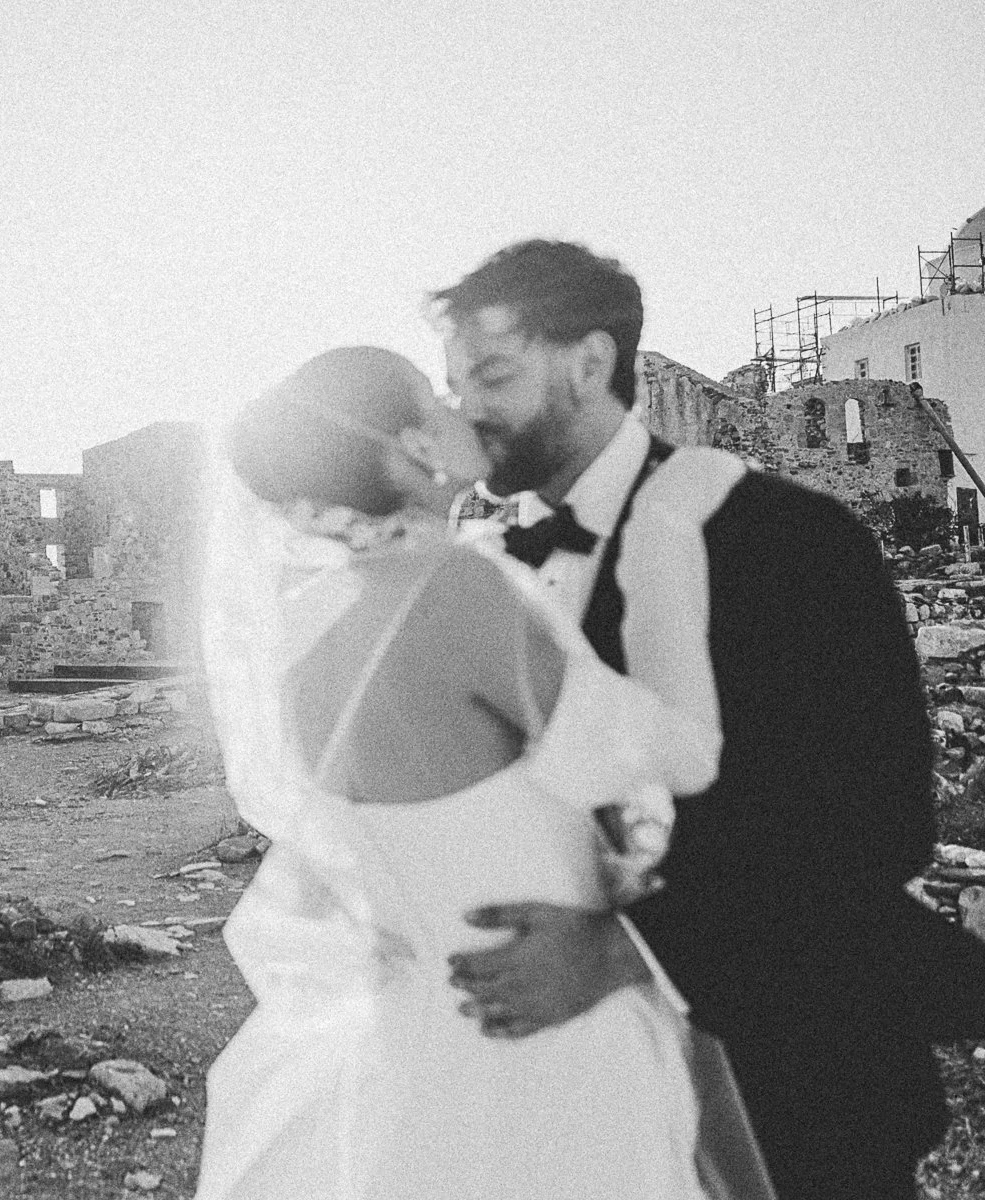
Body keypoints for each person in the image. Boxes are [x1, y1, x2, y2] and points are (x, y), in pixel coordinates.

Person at [435, 239, 985, 1200]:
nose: (466, 409)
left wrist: (628, 948)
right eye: (456, 384)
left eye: (492, 375)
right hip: (576, 1099)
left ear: (590, 363)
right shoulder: (481, 574)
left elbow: (876, 824)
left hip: (799, 1078)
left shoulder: (795, 541)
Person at [195, 346, 747, 1199]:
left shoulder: (304, 633)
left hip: (424, 1041)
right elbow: (671, 761)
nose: (462, 404)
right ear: (412, 447)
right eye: (434, 394)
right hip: (562, 1029)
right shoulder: (462, 587)